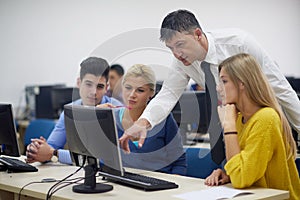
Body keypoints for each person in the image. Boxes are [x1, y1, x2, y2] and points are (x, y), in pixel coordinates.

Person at [119, 9, 300, 155]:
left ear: (198, 34)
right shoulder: (182, 62)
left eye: (180, 45)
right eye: (170, 48)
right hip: (225, 123)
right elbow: (168, 94)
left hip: (260, 122)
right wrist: (143, 122)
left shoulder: (239, 44)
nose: (176, 54)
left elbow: (281, 89)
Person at [204, 53, 300, 200]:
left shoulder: (266, 118)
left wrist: (228, 126)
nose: (218, 88)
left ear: (242, 83)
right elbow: (243, 169)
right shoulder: (240, 118)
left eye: (224, 81)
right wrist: (228, 174)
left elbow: (241, 178)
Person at [26, 57, 123, 164]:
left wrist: (54, 154)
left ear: (106, 88)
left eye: (99, 86)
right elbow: (51, 146)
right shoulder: (70, 110)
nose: (93, 92)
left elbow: (100, 159)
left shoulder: (116, 110)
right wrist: (36, 150)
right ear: (79, 83)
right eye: (88, 84)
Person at [99, 64, 187, 175]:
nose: (132, 95)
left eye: (140, 90)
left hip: (160, 185)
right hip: (125, 184)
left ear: (151, 93)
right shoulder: (112, 118)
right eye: (128, 88)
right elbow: (102, 162)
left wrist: (172, 186)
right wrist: (96, 120)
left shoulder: (163, 119)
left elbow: (179, 162)